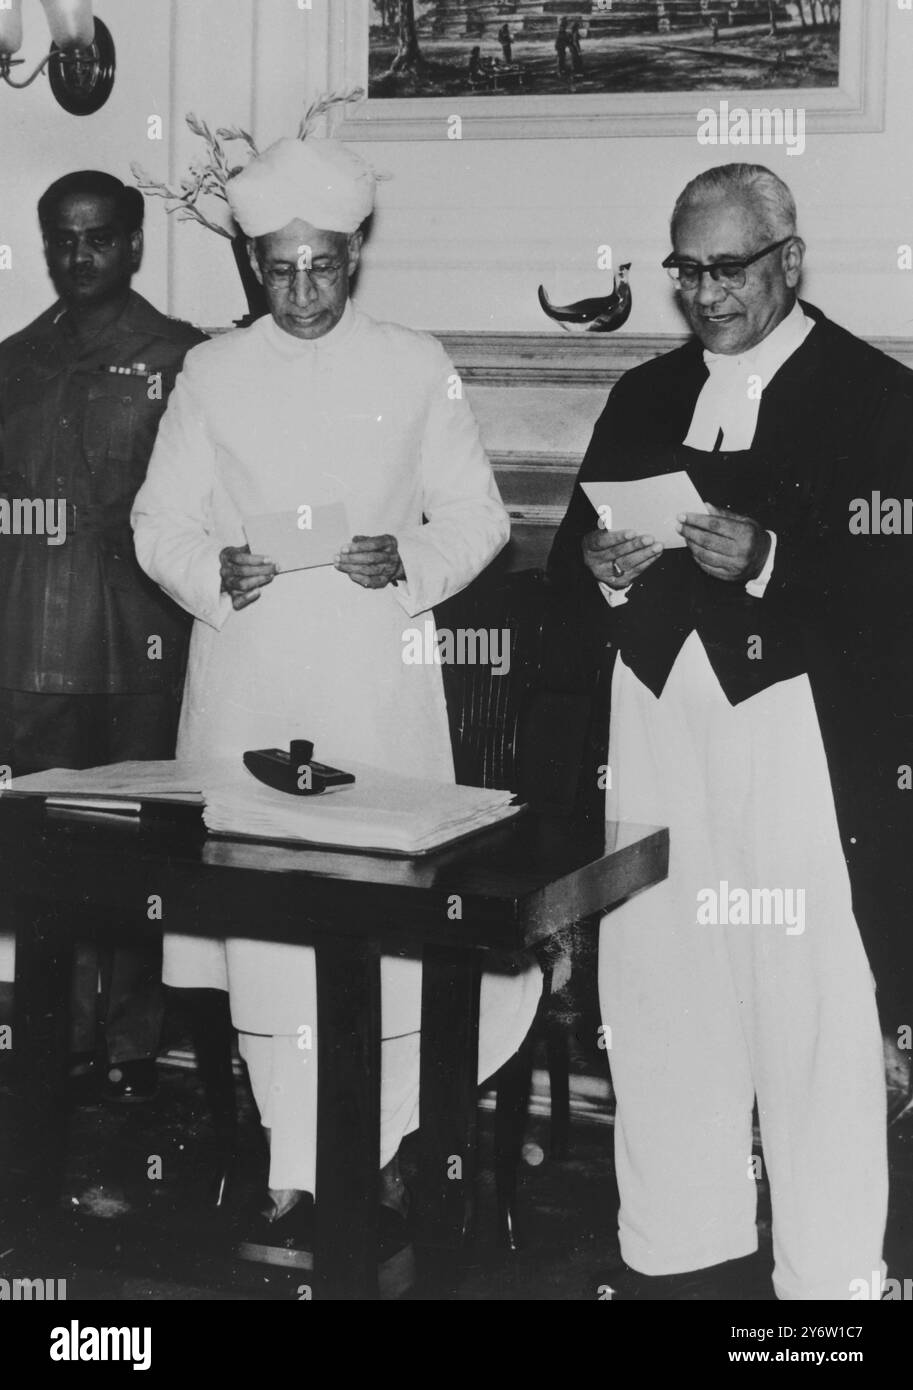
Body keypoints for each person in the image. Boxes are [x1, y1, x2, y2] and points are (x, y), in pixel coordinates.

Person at [131, 136, 542, 1284]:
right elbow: (154, 522)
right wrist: (217, 571)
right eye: (280, 271)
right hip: (251, 677)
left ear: (355, 255)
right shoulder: (212, 373)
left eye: (322, 268)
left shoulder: (416, 365)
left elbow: (481, 517)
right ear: (254, 266)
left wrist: (402, 559)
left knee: (385, 917)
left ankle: (380, 1141)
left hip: (372, 683)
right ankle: (291, 1167)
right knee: (265, 932)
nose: (302, 292)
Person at [548, 162, 913, 1301]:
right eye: (687, 271)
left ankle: (829, 1287)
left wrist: (768, 562)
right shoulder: (644, 395)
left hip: (797, 747)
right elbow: (567, 566)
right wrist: (603, 572)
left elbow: (894, 586)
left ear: (787, 262)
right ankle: (676, 1258)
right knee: (660, 1002)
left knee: (810, 1018)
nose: (706, 295)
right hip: (655, 736)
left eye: (729, 269)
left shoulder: (871, 395)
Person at [0, 172, 204, 1103]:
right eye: (62, 241)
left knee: (137, 856)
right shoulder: (14, 360)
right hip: (29, 648)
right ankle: (53, 1038)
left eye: (97, 239)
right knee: (40, 856)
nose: (78, 257)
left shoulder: (185, 357)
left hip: (141, 650)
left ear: (132, 244)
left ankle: (132, 1049)